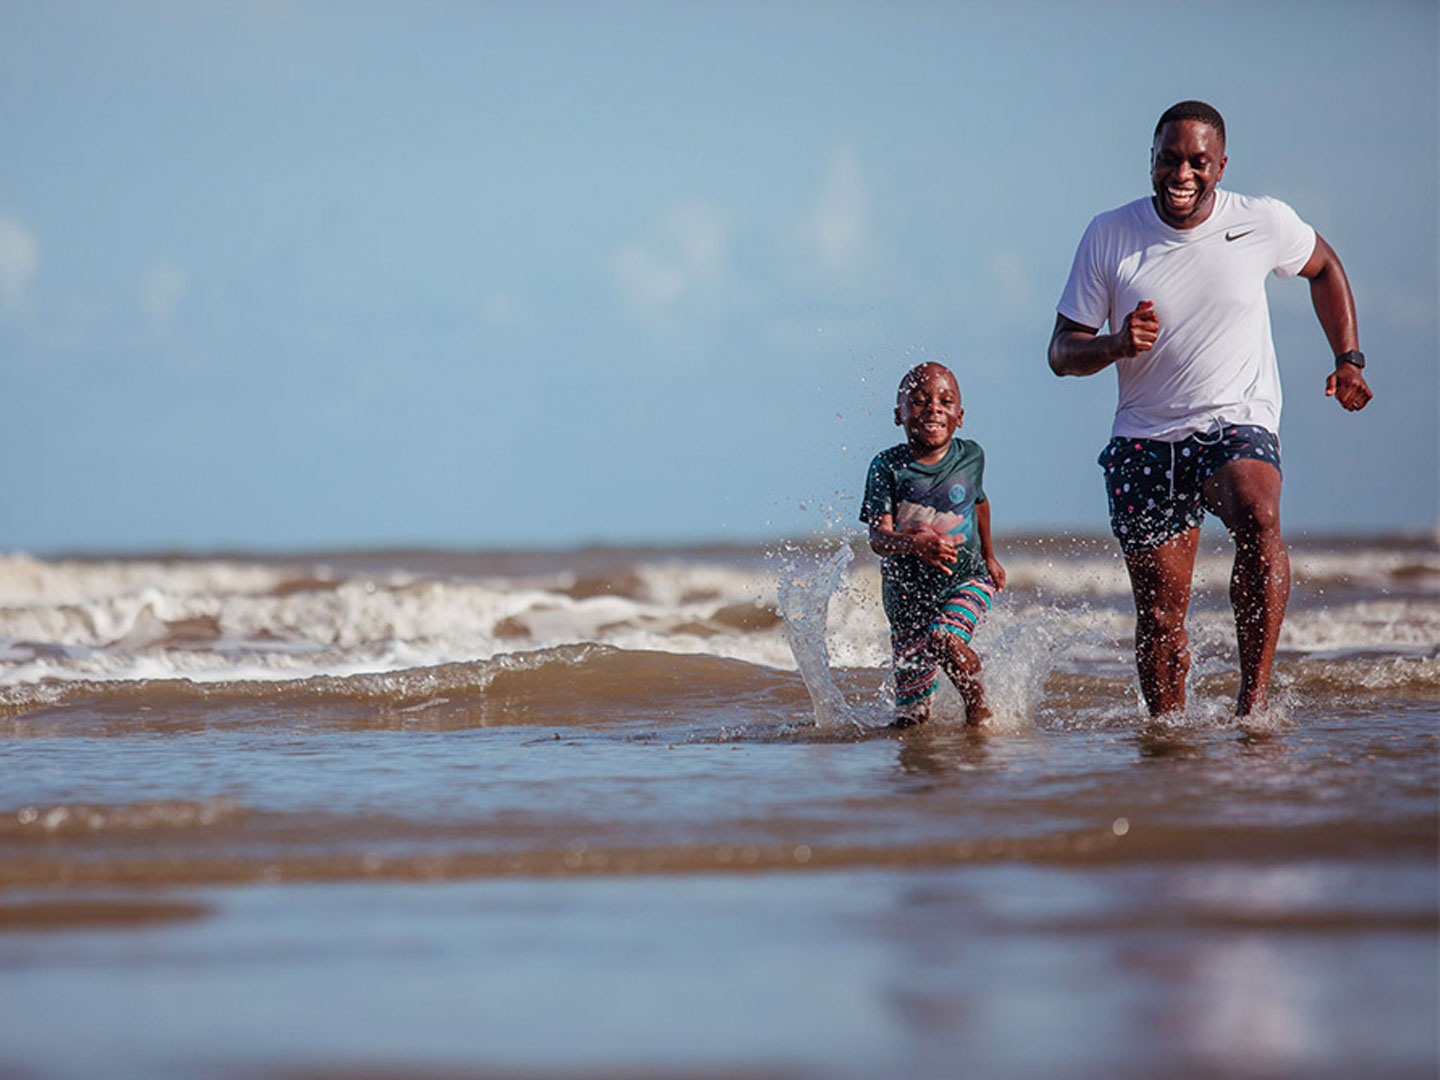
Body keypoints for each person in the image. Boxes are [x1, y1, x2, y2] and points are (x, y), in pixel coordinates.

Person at [1049, 100, 1372, 718]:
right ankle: (1170, 742)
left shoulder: (1262, 221)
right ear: (1150, 159)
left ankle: (1252, 705)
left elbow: (1324, 265)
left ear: (1221, 165)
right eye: (1169, 159)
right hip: (1144, 438)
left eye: (1198, 161)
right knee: (1163, 616)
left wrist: (1349, 358)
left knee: (1258, 512)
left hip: (1235, 420)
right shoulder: (1109, 234)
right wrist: (1116, 344)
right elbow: (1061, 351)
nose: (1182, 174)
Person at [861, 362, 1006, 727]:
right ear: (900, 414)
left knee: (945, 637)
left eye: (945, 400)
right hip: (907, 600)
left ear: (960, 415)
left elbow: (980, 502)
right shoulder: (887, 467)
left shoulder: (971, 455)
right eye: (920, 401)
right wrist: (914, 545)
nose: (934, 408)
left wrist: (990, 557)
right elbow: (878, 539)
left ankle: (980, 716)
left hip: (966, 579)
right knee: (911, 719)